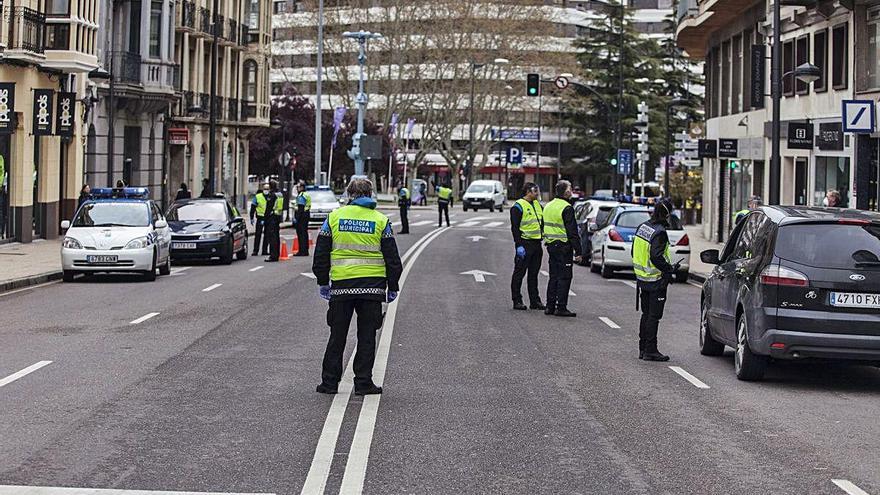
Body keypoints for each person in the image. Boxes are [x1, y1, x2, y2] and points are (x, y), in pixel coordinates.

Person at [312, 177, 403, 395]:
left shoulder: (333, 218)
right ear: (370, 194)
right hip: (372, 289)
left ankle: (329, 383)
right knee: (367, 337)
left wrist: (323, 282)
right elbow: (392, 258)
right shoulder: (381, 221)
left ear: (349, 195)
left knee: (337, 335)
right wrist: (393, 285)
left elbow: (321, 254)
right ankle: (363, 383)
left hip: (342, 286)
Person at [632, 198, 677, 362]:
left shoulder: (643, 227)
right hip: (656, 280)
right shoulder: (660, 232)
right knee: (654, 316)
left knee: (646, 314)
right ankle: (650, 349)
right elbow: (656, 257)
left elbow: (634, 251)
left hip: (642, 279)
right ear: (666, 214)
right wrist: (669, 269)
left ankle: (642, 348)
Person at [543, 180, 582, 317]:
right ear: (566, 192)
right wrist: (579, 251)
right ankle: (561, 307)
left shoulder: (548, 206)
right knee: (564, 277)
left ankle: (549, 306)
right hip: (563, 247)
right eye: (570, 188)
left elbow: (544, 225)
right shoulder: (567, 208)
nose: (571, 191)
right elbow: (572, 232)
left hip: (551, 245)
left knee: (553, 276)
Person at [510, 182, 545, 311]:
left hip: (537, 244)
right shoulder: (518, 207)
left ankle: (535, 301)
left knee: (533, 274)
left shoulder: (537, 205)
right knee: (519, 273)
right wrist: (518, 245)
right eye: (535, 192)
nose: (537, 194)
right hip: (525, 244)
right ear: (528, 192)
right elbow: (515, 228)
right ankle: (517, 300)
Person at [262, 180, 284, 262]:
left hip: (272, 217)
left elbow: (269, 207)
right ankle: (276, 254)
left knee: (272, 237)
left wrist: (265, 217)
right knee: (276, 237)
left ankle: (273, 255)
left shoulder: (272, 195)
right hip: (278, 216)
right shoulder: (280, 194)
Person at [250, 183, 272, 256]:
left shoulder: (271, 196)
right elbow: (253, 207)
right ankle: (255, 250)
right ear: (263, 190)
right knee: (258, 234)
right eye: (265, 189)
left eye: (267, 189)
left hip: (268, 218)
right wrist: (251, 217)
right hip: (260, 218)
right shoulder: (258, 196)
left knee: (267, 235)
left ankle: (264, 250)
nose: (266, 190)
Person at [294, 181, 311, 256]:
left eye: (298, 187)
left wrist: (297, 218)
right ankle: (305, 250)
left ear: (302, 187)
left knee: (301, 233)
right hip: (306, 215)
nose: (297, 188)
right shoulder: (306, 194)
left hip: (302, 216)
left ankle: (302, 251)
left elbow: (300, 208)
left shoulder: (302, 196)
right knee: (304, 233)